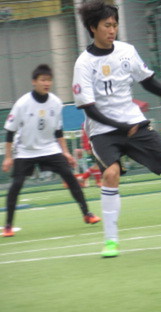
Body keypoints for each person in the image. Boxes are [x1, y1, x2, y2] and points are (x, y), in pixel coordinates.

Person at [72, 0, 161, 258]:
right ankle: (111, 241)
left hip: (134, 124)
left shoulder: (127, 51)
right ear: (93, 28)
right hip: (102, 130)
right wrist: (120, 126)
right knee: (111, 174)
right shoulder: (83, 64)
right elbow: (89, 108)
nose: (112, 30)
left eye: (115, 25)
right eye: (107, 25)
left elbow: (148, 82)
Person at [3, 64, 100, 238]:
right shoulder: (22, 103)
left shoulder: (55, 102)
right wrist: (8, 157)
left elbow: (58, 131)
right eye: (43, 80)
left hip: (49, 148)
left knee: (70, 177)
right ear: (34, 82)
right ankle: (8, 226)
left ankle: (87, 214)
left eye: (49, 80)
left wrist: (65, 152)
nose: (46, 83)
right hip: (25, 150)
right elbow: (10, 131)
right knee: (16, 185)